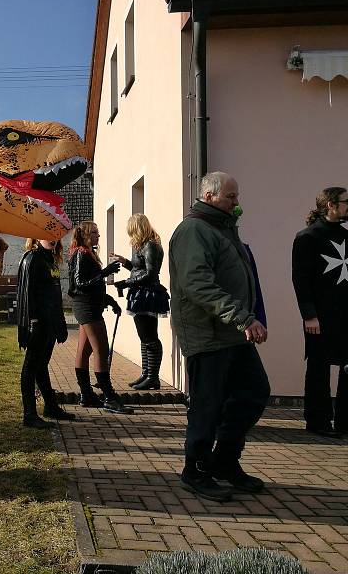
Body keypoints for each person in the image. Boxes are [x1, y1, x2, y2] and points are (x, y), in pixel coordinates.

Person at [169, 172, 270, 502]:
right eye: (231, 196)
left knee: (254, 393)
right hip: (209, 336)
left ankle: (224, 460)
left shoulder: (222, 229)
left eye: (236, 196)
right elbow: (197, 284)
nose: (236, 202)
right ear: (209, 196)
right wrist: (243, 317)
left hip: (233, 335)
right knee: (207, 406)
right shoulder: (193, 231)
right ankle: (194, 470)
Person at [292, 187, 348, 438]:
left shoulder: (346, 237)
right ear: (331, 205)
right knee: (319, 367)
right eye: (346, 202)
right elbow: (300, 280)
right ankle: (318, 421)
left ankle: (345, 421)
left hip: (346, 314)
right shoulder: (308, 238)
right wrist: (309, 315)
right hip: (320, 316)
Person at [67, 221, 133, 415]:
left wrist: (109, 300)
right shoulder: (81, 253)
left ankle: (87, 395)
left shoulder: (85, 253)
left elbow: (89, 284)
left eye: (98, 232)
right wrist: (105, 273)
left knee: (85, 350)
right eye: (95, 233)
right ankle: (109, 397)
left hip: (89, 305)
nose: (98, 236)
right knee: (101, 350)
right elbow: (80, 283)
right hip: (87, 307)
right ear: (86, 235)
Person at [15, 238, 77, 429]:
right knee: (31, 367)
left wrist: (60, 323)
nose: (52, 238)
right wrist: (30, 323)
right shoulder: (32, 258)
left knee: (41, 365)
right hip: (38, 322)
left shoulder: (51, 260)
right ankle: (29, 414)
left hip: (49, 322)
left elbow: (55, 295)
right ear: (35, 237)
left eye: (55, 234)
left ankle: (50, 406)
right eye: (47, 234)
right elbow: (26, 293)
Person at [110, 214, 170, 391]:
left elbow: (151, 273)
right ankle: (146, 374)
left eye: (132, 231)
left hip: (147, 294)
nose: (131, 236)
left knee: (150, 337)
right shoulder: (144, 245)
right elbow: (139, 269)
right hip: (141, 293)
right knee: (145, 337)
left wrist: (125, 283)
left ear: (138, 228)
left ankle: (153, 377)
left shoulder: (150, 245)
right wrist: (125, 262)